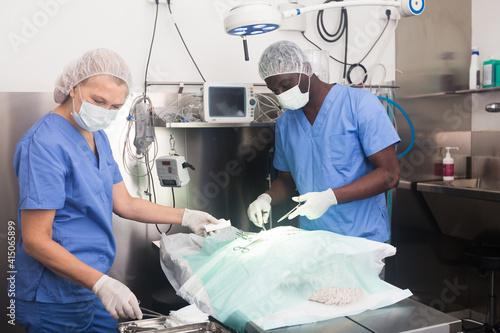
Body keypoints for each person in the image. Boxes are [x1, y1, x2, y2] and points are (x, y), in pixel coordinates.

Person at [13, 48, 220, 332]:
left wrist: (187, 216)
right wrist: (102, 284)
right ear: (73, 87)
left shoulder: (97, 136)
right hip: (55, 296)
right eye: (98, 101)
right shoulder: (43, 144)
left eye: (114, 107)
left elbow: (124, 203)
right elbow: (35, 240)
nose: (104, 112)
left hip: (93, 286)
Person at [247, 40, 400, 243]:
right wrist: (266, 198)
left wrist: (330, 197)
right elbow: (286, 180)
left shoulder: (360, 105)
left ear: (307, 69)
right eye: (275, 91)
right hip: (314, 240)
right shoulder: (286, 122)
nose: (282, 94)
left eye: (285, 85)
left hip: (362, 239)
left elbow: (390, 175)